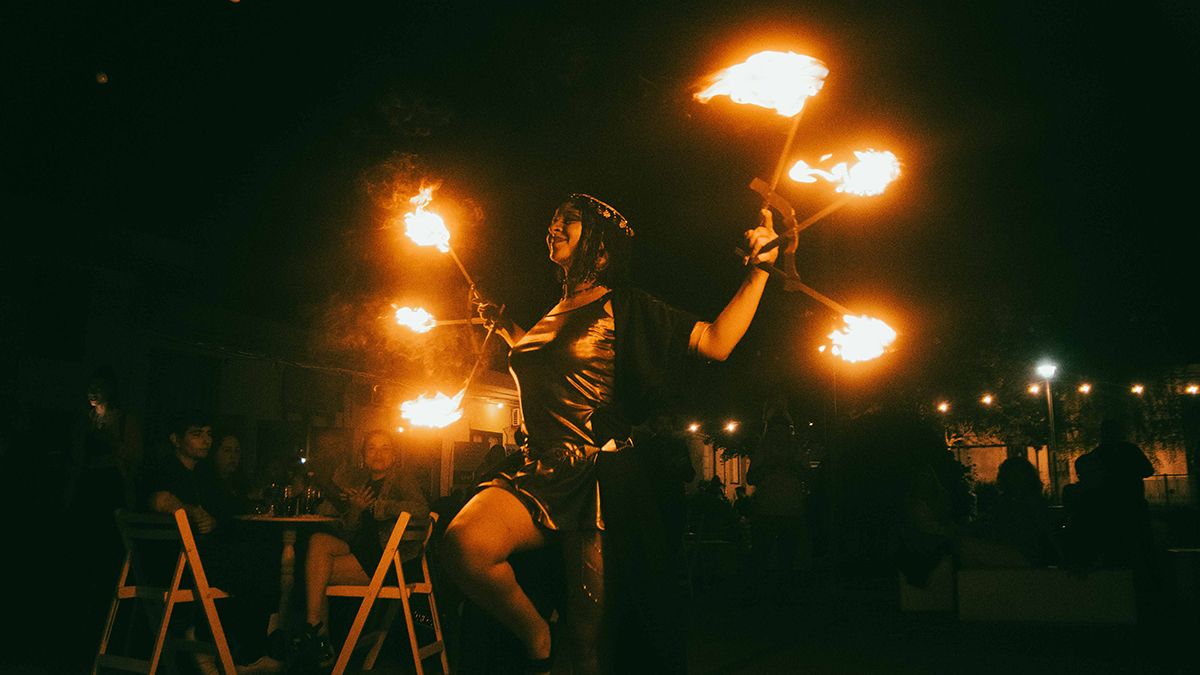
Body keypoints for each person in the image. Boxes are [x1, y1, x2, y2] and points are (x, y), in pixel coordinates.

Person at [441, 193, 778, 673]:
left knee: (589, 640)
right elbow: (558, 372)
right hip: (539, 468)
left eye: (569, 222)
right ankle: (537, 635)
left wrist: (759, 270)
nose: (553, 227)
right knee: (465, 544)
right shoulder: (552, 310)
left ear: (601, 248)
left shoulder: (627, 307)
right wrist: (508, 331)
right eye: (553, 220)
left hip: (594, 476)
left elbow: (716, 342)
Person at [139, 411, 282, 672]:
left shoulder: (204, 475)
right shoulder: (165, 468)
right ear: (176, 439)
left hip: (197, 559)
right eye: (197, 434)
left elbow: (224, 511)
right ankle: (241, 651)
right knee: (256, 566)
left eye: (208, 434)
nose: (206, 440)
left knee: (261, 556)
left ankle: (221, 642)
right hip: (174, 563)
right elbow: (159, 499)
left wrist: (215, 521)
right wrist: (191, 512)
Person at [297, 429, 430, 667]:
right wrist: (357, 509)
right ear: (363, 456)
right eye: (371, 448)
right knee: (317, 541)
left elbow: (420, 509)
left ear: (394, 456)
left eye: (385, 448)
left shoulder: (401, 479)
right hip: (363, 552)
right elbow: (350, 532)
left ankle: (316, 637)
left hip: (390, 562)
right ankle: (315, 630)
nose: (378, 454)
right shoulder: (361, 483)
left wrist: (379, 507)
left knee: (309, 573)